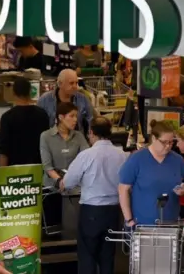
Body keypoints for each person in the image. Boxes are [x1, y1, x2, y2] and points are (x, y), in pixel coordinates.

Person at [61, 117, 126, 274]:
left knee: (87, 257)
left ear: (91, 133)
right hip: (113, 211)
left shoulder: (86, 155)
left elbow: (68, 182)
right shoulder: (122, 155)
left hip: (91, 212)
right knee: (108, 256)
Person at [119, 120, 184, 226]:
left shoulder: (177, 160)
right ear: (154, 138)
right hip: (142, 225)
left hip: (171, 224)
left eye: (171, 142)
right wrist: (129, 220)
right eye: (164, 142)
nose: (168, 146)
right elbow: (123, 189)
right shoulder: (137, 159)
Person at [40, 102, 89, 230]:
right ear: (61, 117)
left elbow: (86, 158)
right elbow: (47, 166)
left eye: (76, 116)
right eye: (71, 116)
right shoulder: (46, 136)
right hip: (53, 188)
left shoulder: (78, 136)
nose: (75, 120)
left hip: (76, 188)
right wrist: (60, 180)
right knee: (53, 226)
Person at [0, 77, 51, 166]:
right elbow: (47, 145)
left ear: (13, 93)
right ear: (30, 92)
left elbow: (4, 152)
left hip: (14, 171)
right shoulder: (42, 114)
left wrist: (2, 176)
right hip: (38, 168)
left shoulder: (7, 117)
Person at [37, 68, 95, 133]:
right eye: (71, 83)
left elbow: (91, 121)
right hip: (53, 140)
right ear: (60, 84)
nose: (75, 86)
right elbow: (38, 124)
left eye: (76, 83)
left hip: (77, 140)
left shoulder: (83, 99)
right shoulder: (44, 99)